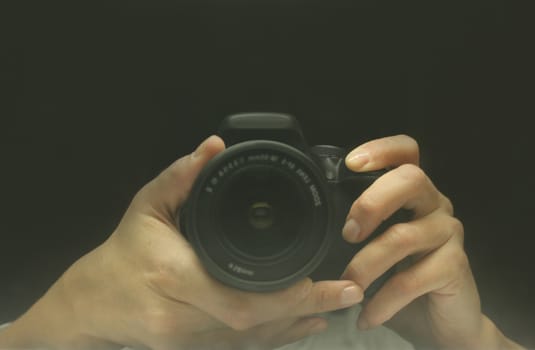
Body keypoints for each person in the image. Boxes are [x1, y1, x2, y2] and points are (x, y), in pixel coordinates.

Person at [0, 134, 524, 350]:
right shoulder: (111, 325)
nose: (263, 220)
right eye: (237, 204)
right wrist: (63, 317)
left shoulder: (381, 324)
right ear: (184, 214)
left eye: (290, 200)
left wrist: (472, 340)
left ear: (336, 201)